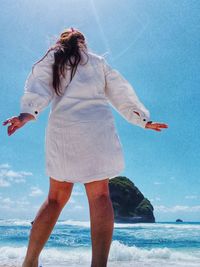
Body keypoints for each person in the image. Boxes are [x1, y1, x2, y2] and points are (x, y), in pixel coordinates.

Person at [3, 27, 168, 267]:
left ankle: (29, 262)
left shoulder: (54, 59)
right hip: (96, 130)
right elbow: (120, 92)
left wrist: (25, 115)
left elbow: (38, 89)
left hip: (64, 132)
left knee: (55, 199)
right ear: (83, 43)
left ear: (61, 41)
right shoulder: (98, 62)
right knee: (100, 195)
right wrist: (142, 119)